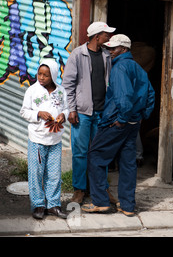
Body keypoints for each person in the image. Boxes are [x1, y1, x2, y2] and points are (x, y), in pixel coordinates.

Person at [82, 34, 155, 217]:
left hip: (118, 122)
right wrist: (141, 115)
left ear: (124, 49)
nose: (110, 51)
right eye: (109, 48)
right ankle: (128, 206)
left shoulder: (120, 67)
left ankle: (100, 202)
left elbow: (124, 97)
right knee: (128, 163)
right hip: (133, 123)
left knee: (96, 156)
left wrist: (122, 118)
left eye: (113, 48)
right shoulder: (138, 68)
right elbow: (151, 94)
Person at [62, 21, 116, 205]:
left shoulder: (106, 55)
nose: (108, 37)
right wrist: (71, 109)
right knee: (80, 152)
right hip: (83, 113)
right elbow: (67, 84)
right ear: (97, 37)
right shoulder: (78, 54)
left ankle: (101, 189)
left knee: (100, 152)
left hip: (102, 113)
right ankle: (79, 190)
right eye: (106, 34)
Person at [20, 59, 70, 219]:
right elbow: (24, 111)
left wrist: (64, 115)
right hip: (37, 139)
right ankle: (38, 205)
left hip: (55, 140)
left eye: (46, 75)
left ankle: (53, 205)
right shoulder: (32, 91)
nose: (41, 77)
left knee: (54, 174)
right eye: (40, 74)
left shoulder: (61, 91)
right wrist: (38, 114)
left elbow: (67, 108)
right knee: (36, 174)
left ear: (53, 76)